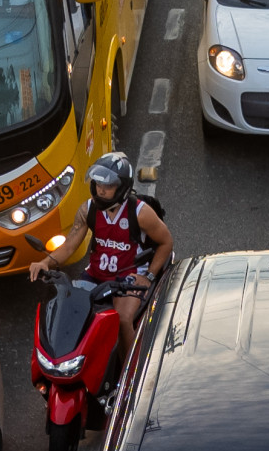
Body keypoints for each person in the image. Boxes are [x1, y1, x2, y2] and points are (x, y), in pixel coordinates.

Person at [27, 151, 171, 365]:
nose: (101, 189)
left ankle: (132, 372)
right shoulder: (87, 209)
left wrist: (148, 276)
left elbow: (166, 242)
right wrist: (45, 262)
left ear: (121, 186)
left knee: (122, 320)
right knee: (65, 315)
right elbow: (68, 247)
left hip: (128, 277)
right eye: (97, 184)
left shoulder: (141, 213)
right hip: (95, 275)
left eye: (108, 186)